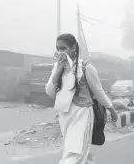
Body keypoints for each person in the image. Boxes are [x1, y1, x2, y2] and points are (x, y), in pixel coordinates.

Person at [45, 33, 118, 164]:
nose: (60, 52)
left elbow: (98, 91)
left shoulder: (85, 67)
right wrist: (58, 71)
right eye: (58, 48)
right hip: (65, 115)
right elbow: (50, 92)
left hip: (82, 114)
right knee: (82, 151)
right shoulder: (57, 67)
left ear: (73, 48)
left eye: (63, 48)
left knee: (75, 152)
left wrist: (111, 109)